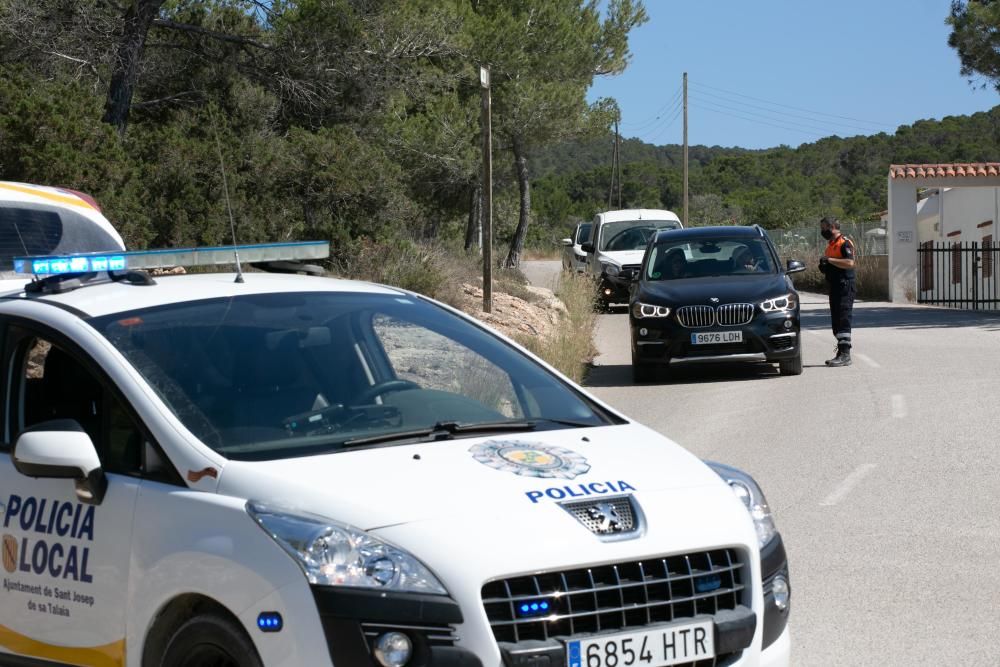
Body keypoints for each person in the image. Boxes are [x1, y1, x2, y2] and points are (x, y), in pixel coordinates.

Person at [818, 216, 856, 367]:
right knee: (836, 320)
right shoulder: (830, 245)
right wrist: (824, 266)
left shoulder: (844, 242)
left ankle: (846, 354)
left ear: (832, 226)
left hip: (845, 285)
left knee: (843, 317)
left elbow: (850, 262)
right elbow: (831, 264)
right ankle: (841, 352)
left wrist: (830, 261)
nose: (822, 231)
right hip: (834, 286)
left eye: (823, 228)